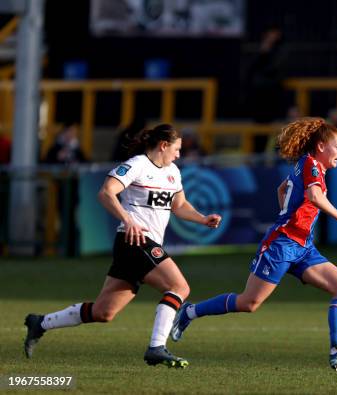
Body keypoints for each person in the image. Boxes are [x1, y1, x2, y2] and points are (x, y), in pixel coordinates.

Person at [170, 118, 337, 370]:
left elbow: (282, 189)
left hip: (303, 246)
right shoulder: (311, 165)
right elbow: (313, 195)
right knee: (249, 303)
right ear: (321, 146)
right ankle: (189, 312)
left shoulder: (308, 166)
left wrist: (288, 213)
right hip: (282, 245)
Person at [24, 124, 222, 368]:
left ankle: (40, 323)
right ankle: (156, 347)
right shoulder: (137, 164)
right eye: (177, 149)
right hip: (135, 241)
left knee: (103, 312)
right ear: (163, 145)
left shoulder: (172, 171)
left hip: (141, 245)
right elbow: (106, 192)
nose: (179, 154)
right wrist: (128, 220)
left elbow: (179, 205)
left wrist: (202, 219)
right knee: (178, 286)